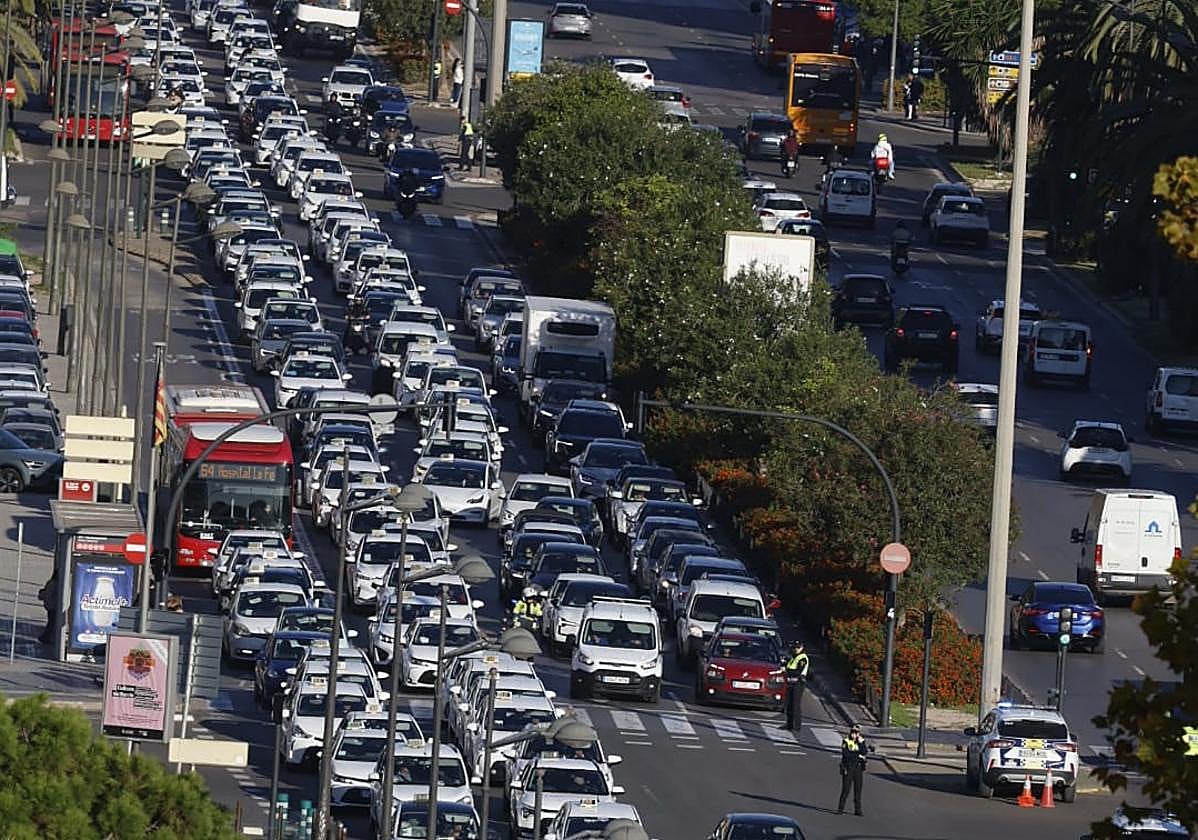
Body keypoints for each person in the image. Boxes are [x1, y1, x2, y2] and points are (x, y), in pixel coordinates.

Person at [837, 724, 871, 816]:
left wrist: (860, 743)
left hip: (858, 768)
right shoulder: (846, 741)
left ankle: (858, 810)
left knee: (858, 789)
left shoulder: (861, 741)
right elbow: (846, 755)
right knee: (846, 789)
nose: (854, 734)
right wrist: (857, 755)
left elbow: (864, 752)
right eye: (853, 732)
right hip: (848, 767)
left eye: (856, 732)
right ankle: (840, 808)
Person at [781, 641, 810, 731]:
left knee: (795, 704)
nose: (796, 649)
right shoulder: (793, 657)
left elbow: (798, 672)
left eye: (798, 647)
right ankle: (789, 724)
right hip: (790, 682)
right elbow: (788, 665)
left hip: (798, 683)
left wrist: (786, 670)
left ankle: (796, 726)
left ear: (802, 648)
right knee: (789, 704)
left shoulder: (803, 658)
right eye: (794, 647)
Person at [37, 567, 59, 645]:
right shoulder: (55, 584)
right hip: (53, 607)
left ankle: (46, 637)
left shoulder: (51, 582)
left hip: (50, 607)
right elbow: (49, 595)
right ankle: (45, 638)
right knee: (51, 624)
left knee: (51, 623)